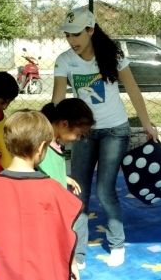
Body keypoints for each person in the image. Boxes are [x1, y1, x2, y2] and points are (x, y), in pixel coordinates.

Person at [52, 6, 158, 267]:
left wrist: (147, 124)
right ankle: (78, 253)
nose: (72, 40)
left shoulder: (113, 54)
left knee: (104, 189)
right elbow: (57, 101)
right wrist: (50, 134)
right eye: (67, 35)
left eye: (76, 34)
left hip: (115, 130)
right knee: (78, 192)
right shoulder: (64, 60)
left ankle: (117, 243)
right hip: (82, 133)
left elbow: (133, 92)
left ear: (90, 30)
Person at [0, 110, 83, 280]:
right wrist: (71, 262)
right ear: (42, 147)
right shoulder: (53, 189)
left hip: (6, 272)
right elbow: (65, 236)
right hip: (47, 272)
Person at [39, 98, 94, 270]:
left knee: (79, 217)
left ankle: (74, 258)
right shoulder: (42, 146)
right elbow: (39, 175)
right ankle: (71, 261)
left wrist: (64, 178)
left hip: (55, 204)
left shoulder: (53, 143)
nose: (78, 139)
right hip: (46, 210)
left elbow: (49, 170)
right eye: (79, 134)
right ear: (64, 123)